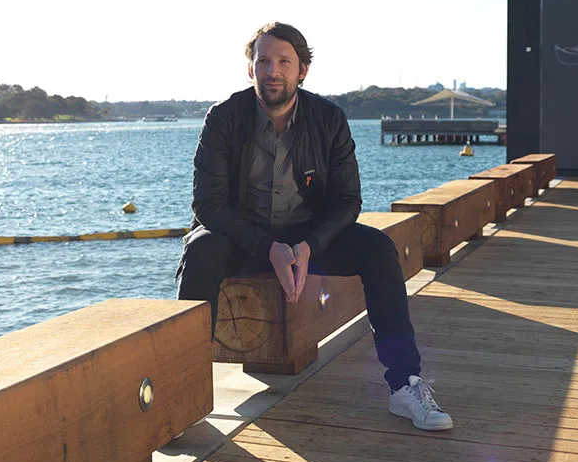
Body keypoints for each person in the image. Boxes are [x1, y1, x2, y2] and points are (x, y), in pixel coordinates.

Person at [176, 22, 452, 431]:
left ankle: (404, 385)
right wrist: (266, 246)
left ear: (302, 70)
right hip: (242, 238)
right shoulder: (224, 118)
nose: (272, 71)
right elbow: (208, 203)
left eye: (284, 62)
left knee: (378, 248)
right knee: (200, 249)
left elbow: (347, 200)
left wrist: (309, 244)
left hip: (307, 237)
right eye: (263, 61)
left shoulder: (328, 119)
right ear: (250, 68)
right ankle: (183, 398)